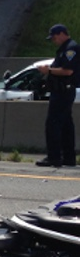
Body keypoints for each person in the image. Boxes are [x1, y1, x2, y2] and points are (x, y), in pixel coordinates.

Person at [36, 24, 79, 167]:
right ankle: (68, 158)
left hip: (63, 91)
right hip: (62, 90)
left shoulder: (71, 49)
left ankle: (54, 157)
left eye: (54, 38)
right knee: (66, 125)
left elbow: (68, 71)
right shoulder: (64, 49)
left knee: (53, 124)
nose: (54, 41)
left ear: (62, 34)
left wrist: (48, 70)